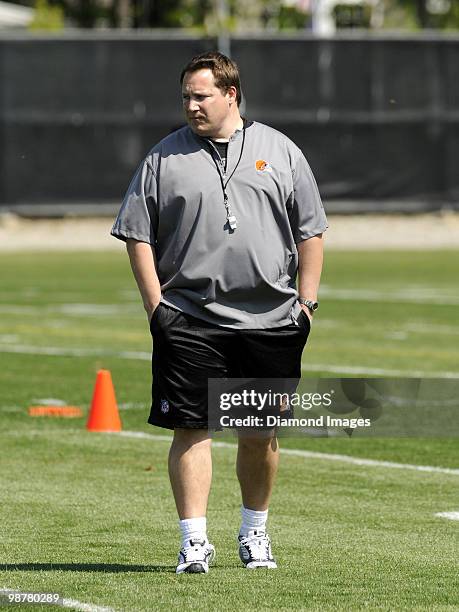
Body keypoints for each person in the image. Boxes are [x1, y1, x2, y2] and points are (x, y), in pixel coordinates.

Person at [111, 51, 327, 574]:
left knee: (259, 434)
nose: (190, 105)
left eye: (200, 95)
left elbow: (311, 230)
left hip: (271, 319)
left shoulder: (281, 151)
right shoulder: (164, 158)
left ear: (231, 94)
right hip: (188, 318)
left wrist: (307, 302)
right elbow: (136, 234)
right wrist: (155, 306)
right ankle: (193, 544)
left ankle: (255, 534)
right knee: (193, 428)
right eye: (185, 96)